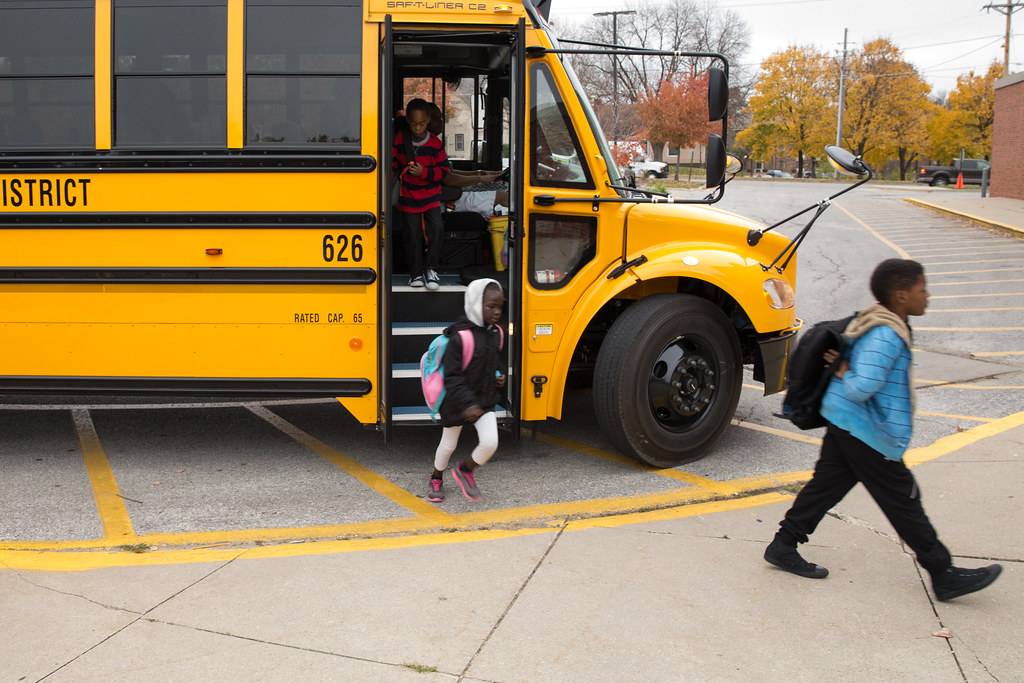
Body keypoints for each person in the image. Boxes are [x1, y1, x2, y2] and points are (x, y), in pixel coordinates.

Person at [764, 259, 1002, 602]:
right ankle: (943, 573)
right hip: (867, 430)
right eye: (923, 290)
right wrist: (845, 371)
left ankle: (783, 545)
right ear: (902, 295)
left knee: (825, 488)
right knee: (904, 502)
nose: (928, 296)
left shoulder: (881, 319)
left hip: (845, 420)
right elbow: (862, 387)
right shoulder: (887, 335)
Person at [427, 279, 506, 502]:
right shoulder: (460, 338)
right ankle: (436, 476)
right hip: (457, 403)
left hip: (484, 400)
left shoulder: (496, 333)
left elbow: (494, 362)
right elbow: (452, 378)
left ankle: (466, 469)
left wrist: (499, 375)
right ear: (474, 303)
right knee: (448, 445)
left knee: (490, 442)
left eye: (500, 306)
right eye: (491, 306)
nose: (496, 312)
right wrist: (468, 404)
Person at [392, 99, 450, 290]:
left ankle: (431, 270)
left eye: (422, 124)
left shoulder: (435, 143)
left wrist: (423, 172)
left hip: (431, 197)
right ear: (407, 121)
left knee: (437, 230)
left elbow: (444, 171)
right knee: (412, 236)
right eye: (413, 123)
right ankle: (415, 273)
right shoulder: (400, 140)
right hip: (408, 197)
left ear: (428, 122)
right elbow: (392, 163)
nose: (418, 128)